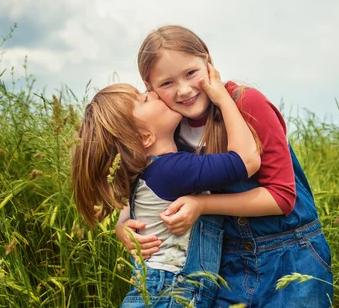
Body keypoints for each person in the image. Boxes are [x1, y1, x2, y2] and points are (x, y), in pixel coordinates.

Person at [116, 25, 334, 307]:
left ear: (208, 62)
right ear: (151, 89)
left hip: (291, 257)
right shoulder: (169, 126)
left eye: (191, 73)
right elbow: (147, 179)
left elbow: (282, 197)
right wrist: (123, 225)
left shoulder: (245, 102)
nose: (184, 90)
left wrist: (203, 205)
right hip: (225, 265)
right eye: (166, 84)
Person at [71, 64, 261, 307]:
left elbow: (131, 205)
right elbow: (247, 161)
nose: (152, 94)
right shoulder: (171, 170)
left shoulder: (151, 171)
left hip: (157, 290)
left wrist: (121, 224)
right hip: (170, 292)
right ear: (145, 138)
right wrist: (224, 100)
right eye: (143, 100)